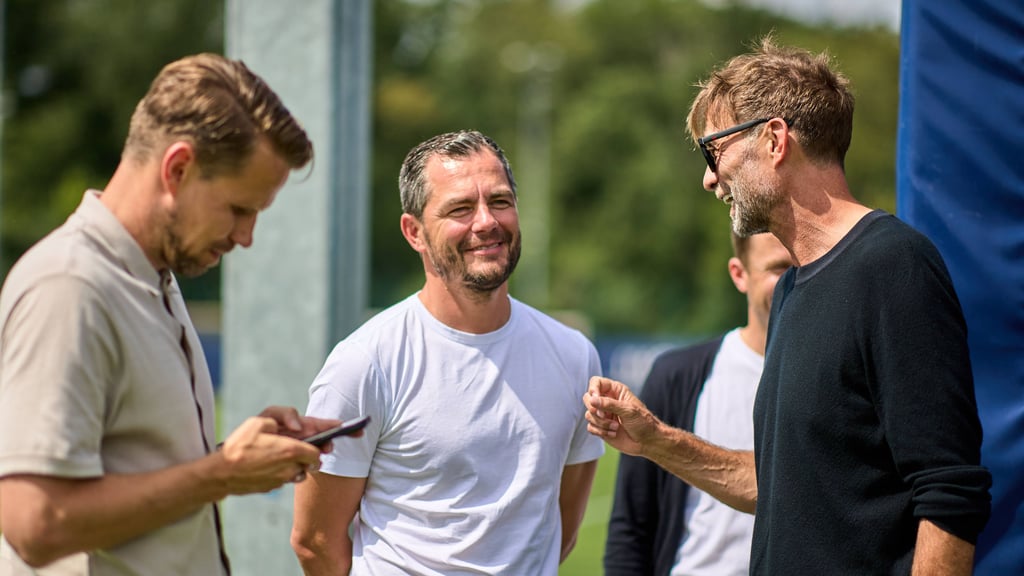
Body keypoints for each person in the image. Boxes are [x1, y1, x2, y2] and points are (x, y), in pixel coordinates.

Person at [585, 37, 992, 575]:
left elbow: (948, 495)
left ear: (775, 140)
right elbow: (782, 485)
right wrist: (657, 441)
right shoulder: (793, 290)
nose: (710, 177)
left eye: (715, 151)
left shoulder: (894, 266)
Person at [0, 53, 345, 575]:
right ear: (178, 169)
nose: (246, 237)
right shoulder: (69, 286)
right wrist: (220, 474)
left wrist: (237, 458)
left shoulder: (152, 277)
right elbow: (35, 524)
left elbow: (135, 472)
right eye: (238, 209)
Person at [291, 130, 604, 575]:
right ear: (414, 232)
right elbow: (314, 541)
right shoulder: (365, 363)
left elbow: (561, 529)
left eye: (500, 201)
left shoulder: (574, 356)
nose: (486, 222)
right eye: (460, 208)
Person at [604, 231, 791, 576]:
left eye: (803, 266)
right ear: (740, 274)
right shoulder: (678, 376)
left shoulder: (839, 377)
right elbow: (631, 529)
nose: (795, 282)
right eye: (779, 270)